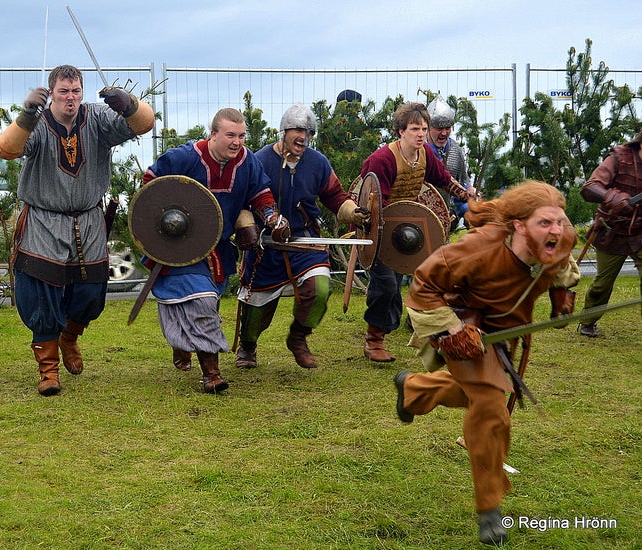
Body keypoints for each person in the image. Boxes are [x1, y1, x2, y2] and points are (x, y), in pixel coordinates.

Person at [392, 180, 579, 546]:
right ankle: (489, 507)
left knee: (477, 392)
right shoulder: (476, 249)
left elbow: (563, 265)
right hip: (463, 324)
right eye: (545, 223)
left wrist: (562, 296)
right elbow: (423, 284)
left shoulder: (561, 236)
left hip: (504, 332)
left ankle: (413, 389)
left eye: (559, 221)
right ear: (520, 226)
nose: (555, 229)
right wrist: (453, 330)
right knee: (492, 408)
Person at [0, 64, 154, 396]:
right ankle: (48, 370)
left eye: (76, 91)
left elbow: (145, 125)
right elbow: (6, 149)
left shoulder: (97, 118)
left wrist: (129, 104)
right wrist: (26, 115)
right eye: (64, 91)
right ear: (52, 92)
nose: (70, 98)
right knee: (41, 293)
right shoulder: (36, 122)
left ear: (83, 92)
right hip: (42, 219)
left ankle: (69, 337)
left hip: (89, 219)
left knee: (90, 293)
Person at [141, 107, 289, 393]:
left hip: (219, 248)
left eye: (242, 136)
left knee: (211, 301)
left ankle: (185, 343)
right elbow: (150, 187)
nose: (237, 142)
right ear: (213, 134)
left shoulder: (247, 162)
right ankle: (212, 374)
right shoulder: (184, 157)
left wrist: (272, 216)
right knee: (202, 301)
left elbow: (260, 195)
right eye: (230, 135)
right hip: (178, 248)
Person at [235, 104, 369, 369]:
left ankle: (298, 337)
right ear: (283, 131)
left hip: (306, 241)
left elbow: (335, 196)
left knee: (319, 288)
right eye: (297, 130)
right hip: (266, 243)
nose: (303, 136)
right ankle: (248, 347)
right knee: (256, 308)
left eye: (308, 131)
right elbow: (241, 201)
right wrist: (247, 228)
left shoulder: (317, 162)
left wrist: (355, 213)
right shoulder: (259, 161)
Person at [359, 102, 471, 362]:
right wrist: (373, 232)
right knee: (386, 285)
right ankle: (373, 340)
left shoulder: (425, 155)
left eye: (423, 128)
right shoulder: (382, 159)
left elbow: (443, 178)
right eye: (414, 129)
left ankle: (394, 328)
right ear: (400, 131)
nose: (420, 134)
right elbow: (372, 202)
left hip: (404, 230)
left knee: (399, 283)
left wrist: (465, 195)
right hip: (373, 229)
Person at [576, 131, 642, 337]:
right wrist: (612, 197)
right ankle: (587, 321)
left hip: (641, 232)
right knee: (602, 285)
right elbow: (589, 188)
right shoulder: (618, 158)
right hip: (613, 231)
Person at [426, 94, 471, 231]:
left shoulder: (455, 150)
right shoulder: (418, 151)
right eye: (439, 128)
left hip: (444, 220)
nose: (444, 133)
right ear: (427, 127)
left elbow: (462, 184)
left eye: (448, 128)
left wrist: (468, 211)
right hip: (419, 216)